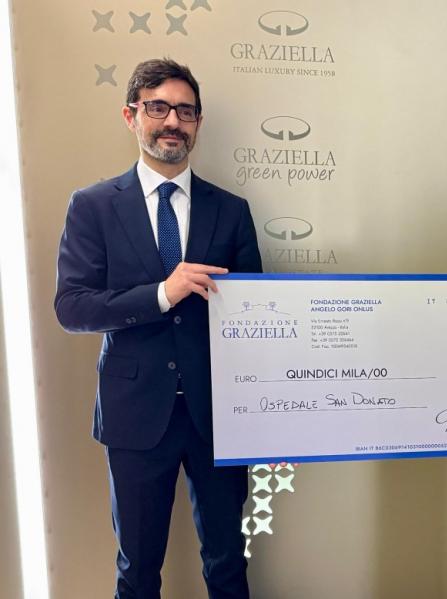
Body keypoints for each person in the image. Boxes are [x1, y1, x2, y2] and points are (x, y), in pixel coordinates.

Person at [55, 58, 262, 598]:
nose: (173, 121)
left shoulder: (232, 211)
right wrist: (162, 294)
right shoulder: (93, 206)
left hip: (218, 416)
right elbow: (73, 307)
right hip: (135, 415)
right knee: (138, 568)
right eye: (159, 107)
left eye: (186, 111)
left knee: (228, 562)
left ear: (198, 122)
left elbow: (256, 317)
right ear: (131, 116)